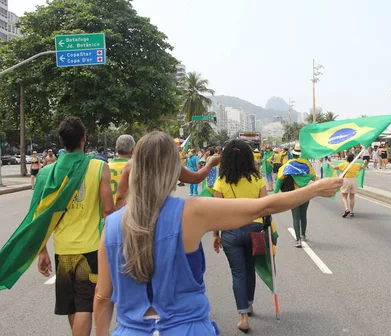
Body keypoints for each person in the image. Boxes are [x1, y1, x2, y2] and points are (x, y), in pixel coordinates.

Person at [93, 132, 342, 335]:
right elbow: (264, 206)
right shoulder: (191, 212)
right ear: (174, 169)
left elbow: (103, 298)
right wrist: (315, 189)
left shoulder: (112, 225)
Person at [36, 117, 115, 336]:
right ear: (84, 138)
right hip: (90, 248)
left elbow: (39, 215)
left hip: (63, 249)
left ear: (61, 141)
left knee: (72, 306)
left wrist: (42, 250)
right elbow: (108, 210)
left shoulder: (47, 173)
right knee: (85, 305)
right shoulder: (99, 167)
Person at [211, 140, 268, 332]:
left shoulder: (221, 181)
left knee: (238, 273)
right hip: (254, 230)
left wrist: (215, 235)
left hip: (231, 231)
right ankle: (250, 303)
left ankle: (243, 316)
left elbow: (217, 212)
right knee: (250, 268)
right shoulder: (258, 179)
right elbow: (266, 206)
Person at [278, 143, 316, 247]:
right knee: (303, 215)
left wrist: (276, 192)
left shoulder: (288, 164)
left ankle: (298, 240)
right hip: (305, 194)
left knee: (296, 217)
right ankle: (303, 235)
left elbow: (281, 177)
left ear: (293, 153)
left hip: (294, 194)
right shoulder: (307, 164)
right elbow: (313, 178)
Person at [333, 153, 368, 218]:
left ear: (347, 158)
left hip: (346, 180)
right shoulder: (356, 165)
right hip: (354, 180)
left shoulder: (343, 164)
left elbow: (334, 168)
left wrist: (329, 163)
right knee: (352, 196)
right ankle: (351, 212)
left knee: (344, 196)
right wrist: (365, 162)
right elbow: (362, 167)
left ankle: (346, 209)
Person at [109, 135, 135, 209]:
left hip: (108, 212)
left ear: (116, 149)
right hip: (127, 212)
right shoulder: (136, 169)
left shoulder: (105, 167)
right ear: (133, 150)